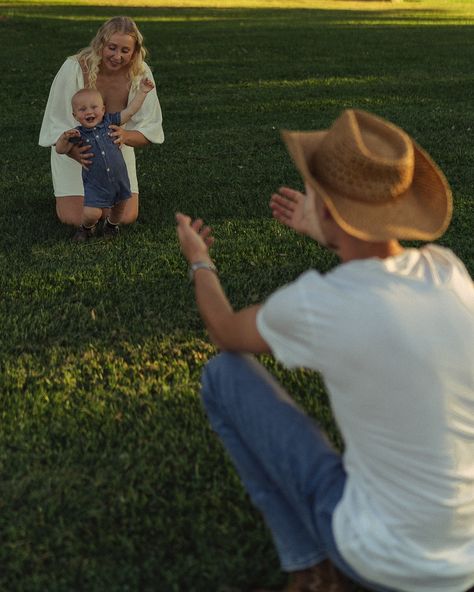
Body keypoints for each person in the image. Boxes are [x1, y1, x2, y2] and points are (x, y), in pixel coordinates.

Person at [176, 109, 474, 592]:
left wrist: (199, 260)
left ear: (330, 208)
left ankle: (310, 565)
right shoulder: (448, 271)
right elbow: (376, 270)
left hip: (380, 558)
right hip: (465, 560)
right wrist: (331, 233)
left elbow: (225, 331)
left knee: (223, 375)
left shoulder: (323, 302)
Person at [39, 16, 164, 230]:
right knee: (75, 218)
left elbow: (150, 128)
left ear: (134, 51)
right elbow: (56, 121)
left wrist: (125, 136)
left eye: (125, 51)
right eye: (112, 48)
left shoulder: (140, 74)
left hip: (115, 151)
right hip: (79, 151)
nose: (117, 56)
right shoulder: (74, 68)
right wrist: (73, 152)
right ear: (100, 44)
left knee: (125, 217)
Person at [55, 77, 154, 241]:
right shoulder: (77, 134)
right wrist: (64, 139)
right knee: (91, 213)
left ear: (103, 109)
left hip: (119, 179)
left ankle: (111, 226)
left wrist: (142, 92)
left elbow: (130, 111)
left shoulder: (110, 122)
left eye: (94, 107)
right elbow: (60, 150)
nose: (89, 112)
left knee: (119, 209)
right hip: (95, 183)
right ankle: (86, 227)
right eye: (82, 109)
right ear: (75, 115)